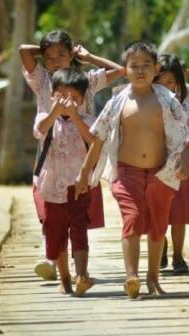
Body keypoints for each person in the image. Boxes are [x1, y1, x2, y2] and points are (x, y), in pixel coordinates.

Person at [74, 41, 189, 299]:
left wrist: (185, 159)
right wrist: (85, 172)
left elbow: (187, 132)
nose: (140, 71)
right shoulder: (117, 102)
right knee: (133, 218)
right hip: (127, 173)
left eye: (146, 66)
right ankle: (131, 276)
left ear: (156, 68)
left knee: (159, 226)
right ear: (125, 70)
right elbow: (99, 138)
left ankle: (153, 278)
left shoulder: (167, 99)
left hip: (162, 173)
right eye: (134, 66)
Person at [19, 30, 124, 281]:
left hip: (80, 160)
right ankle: (53, 260)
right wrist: (46, 50)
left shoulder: (86, 80)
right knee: (50, 214)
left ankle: (77, 271)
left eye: (62, 55)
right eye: (50, 57)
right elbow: (23, 50)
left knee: (76, 218)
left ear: (72, 54)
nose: (55, 61)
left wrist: (88, 57)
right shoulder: (43, 81)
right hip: (50, 158)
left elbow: (121, 71)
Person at [33, 67, 95, 295]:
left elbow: (93, 139)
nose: (68, 102)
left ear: (82, 100)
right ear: (52, 95)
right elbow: (39, 131)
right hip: (51, 188)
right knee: (56, 234)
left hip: (78, 186)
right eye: (62, 96)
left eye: (74, 98)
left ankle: (81, 275)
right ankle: (65, 278)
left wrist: (76, 116)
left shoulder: (87, 119)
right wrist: (54, 111)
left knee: (80, 230)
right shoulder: (45, 117)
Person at [154, 54, 189, 274]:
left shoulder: (182, 106)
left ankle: (178, 256)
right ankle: (161, 247)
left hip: (180, 163)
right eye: (160, 81)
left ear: (178, 83)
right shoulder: (146, 104)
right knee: (157, 212)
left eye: (170, 82)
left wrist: (186, 161)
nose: (165, 87)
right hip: (155, 164)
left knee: (179, 215)